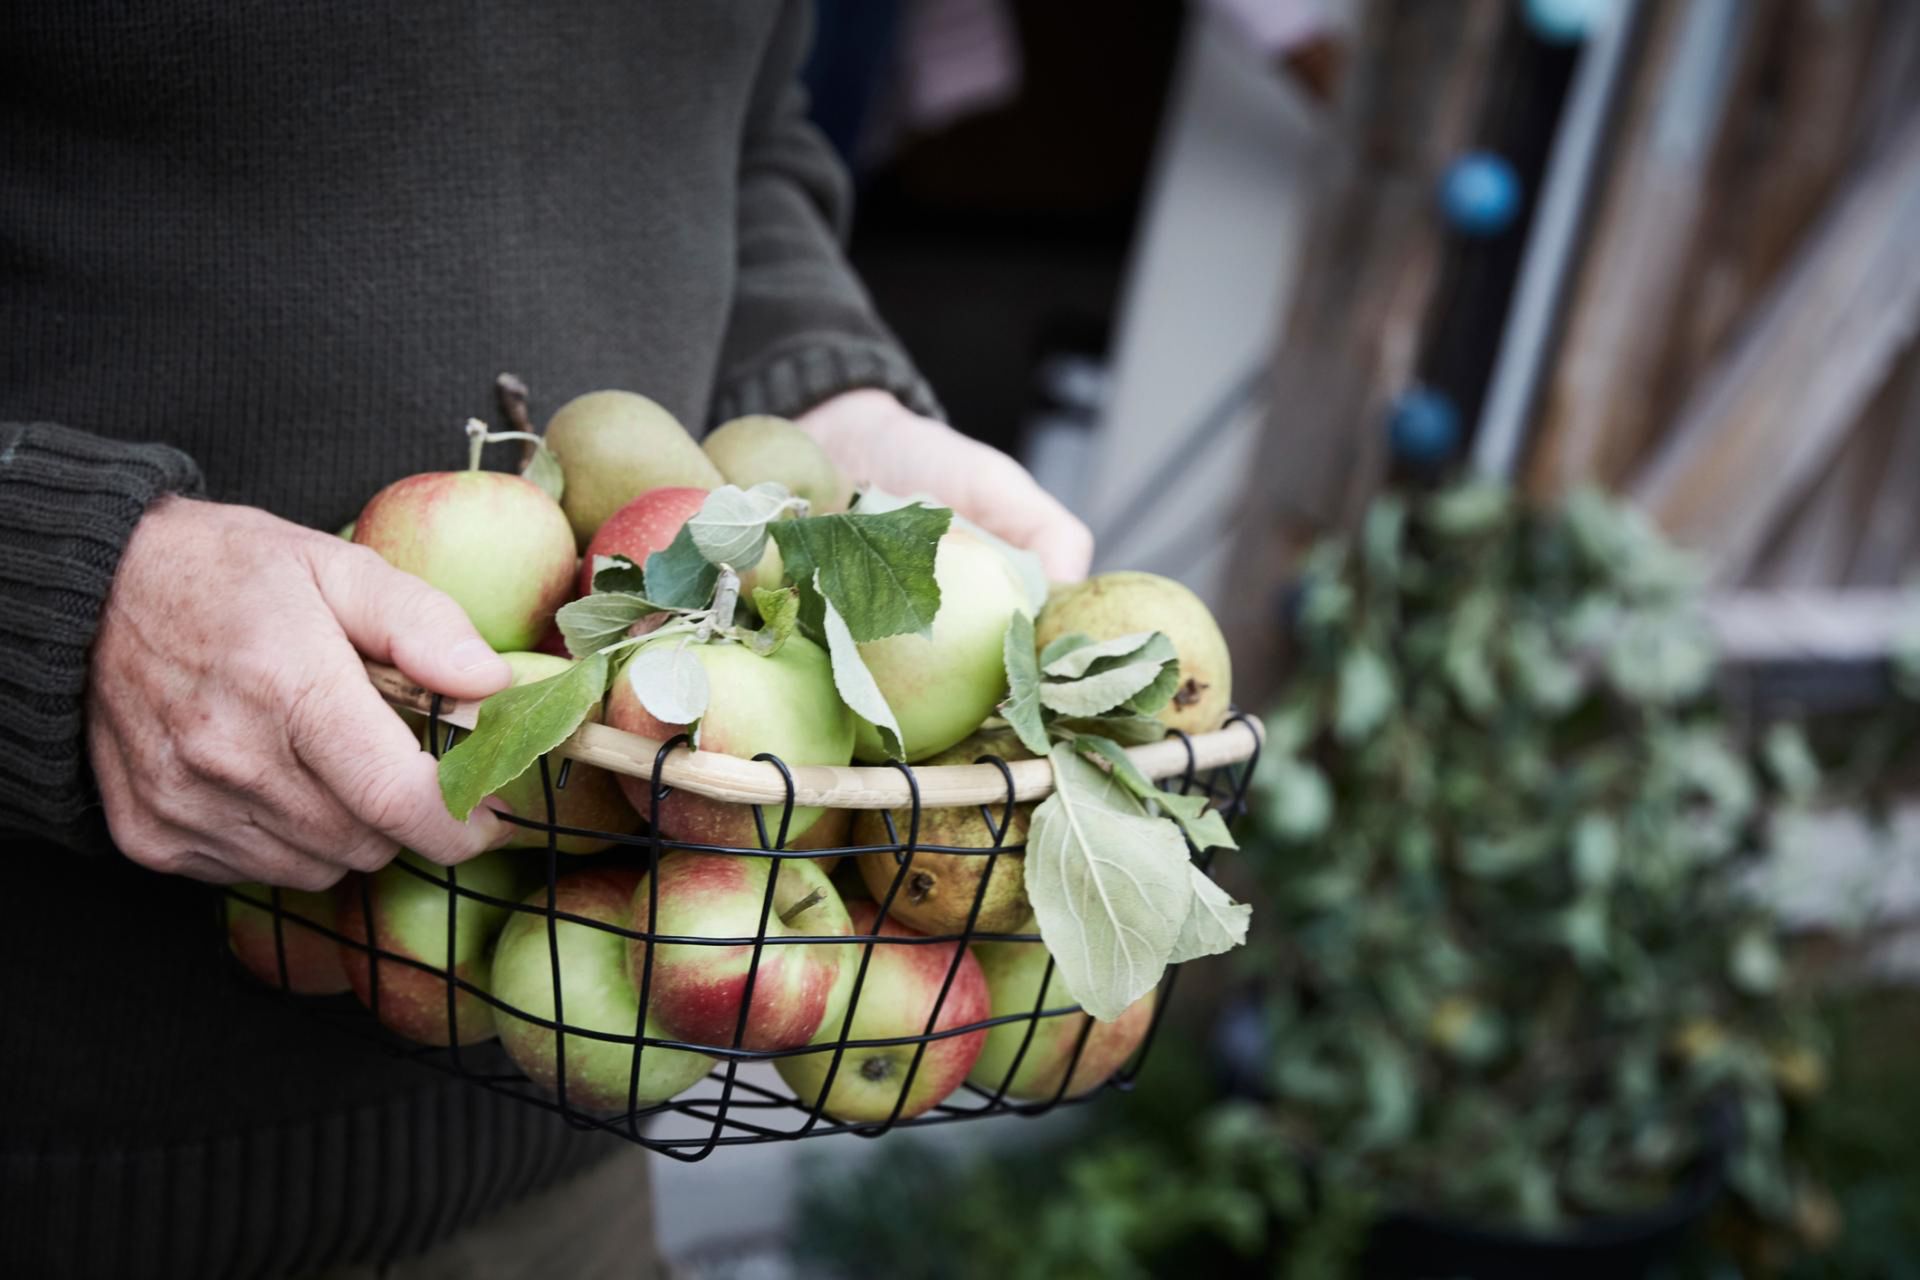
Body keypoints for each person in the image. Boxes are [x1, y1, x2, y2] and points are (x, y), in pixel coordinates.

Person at [0, 4, 1091, 1276]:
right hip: (80, 1166)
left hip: (566, 1151)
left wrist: (825, 398)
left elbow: (746, 136)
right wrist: (58, 581)